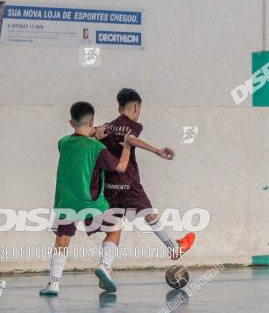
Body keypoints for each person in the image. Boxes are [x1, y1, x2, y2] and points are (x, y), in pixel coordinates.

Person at [39, 101, 132, 296]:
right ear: (92, 120)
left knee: (61, 242)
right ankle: (105, 266)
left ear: (71, 122)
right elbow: (121, 166)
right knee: (115, 227)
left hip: (66, 202)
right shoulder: (97, 148)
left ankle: (54, 283)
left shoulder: (63, 143)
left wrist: (93, 132)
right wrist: (127, 148)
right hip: (92, 202)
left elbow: (80, 140)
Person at [100, 88, 195, 274]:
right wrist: (157, 150)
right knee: (150, 214)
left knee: (114, 227)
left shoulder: (107, 127)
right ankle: (173, 247)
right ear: (136, 107)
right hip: (128, 182)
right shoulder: (133, 125)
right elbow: (132, 139)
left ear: (119, 108)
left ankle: (105, 267)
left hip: (109, 185)